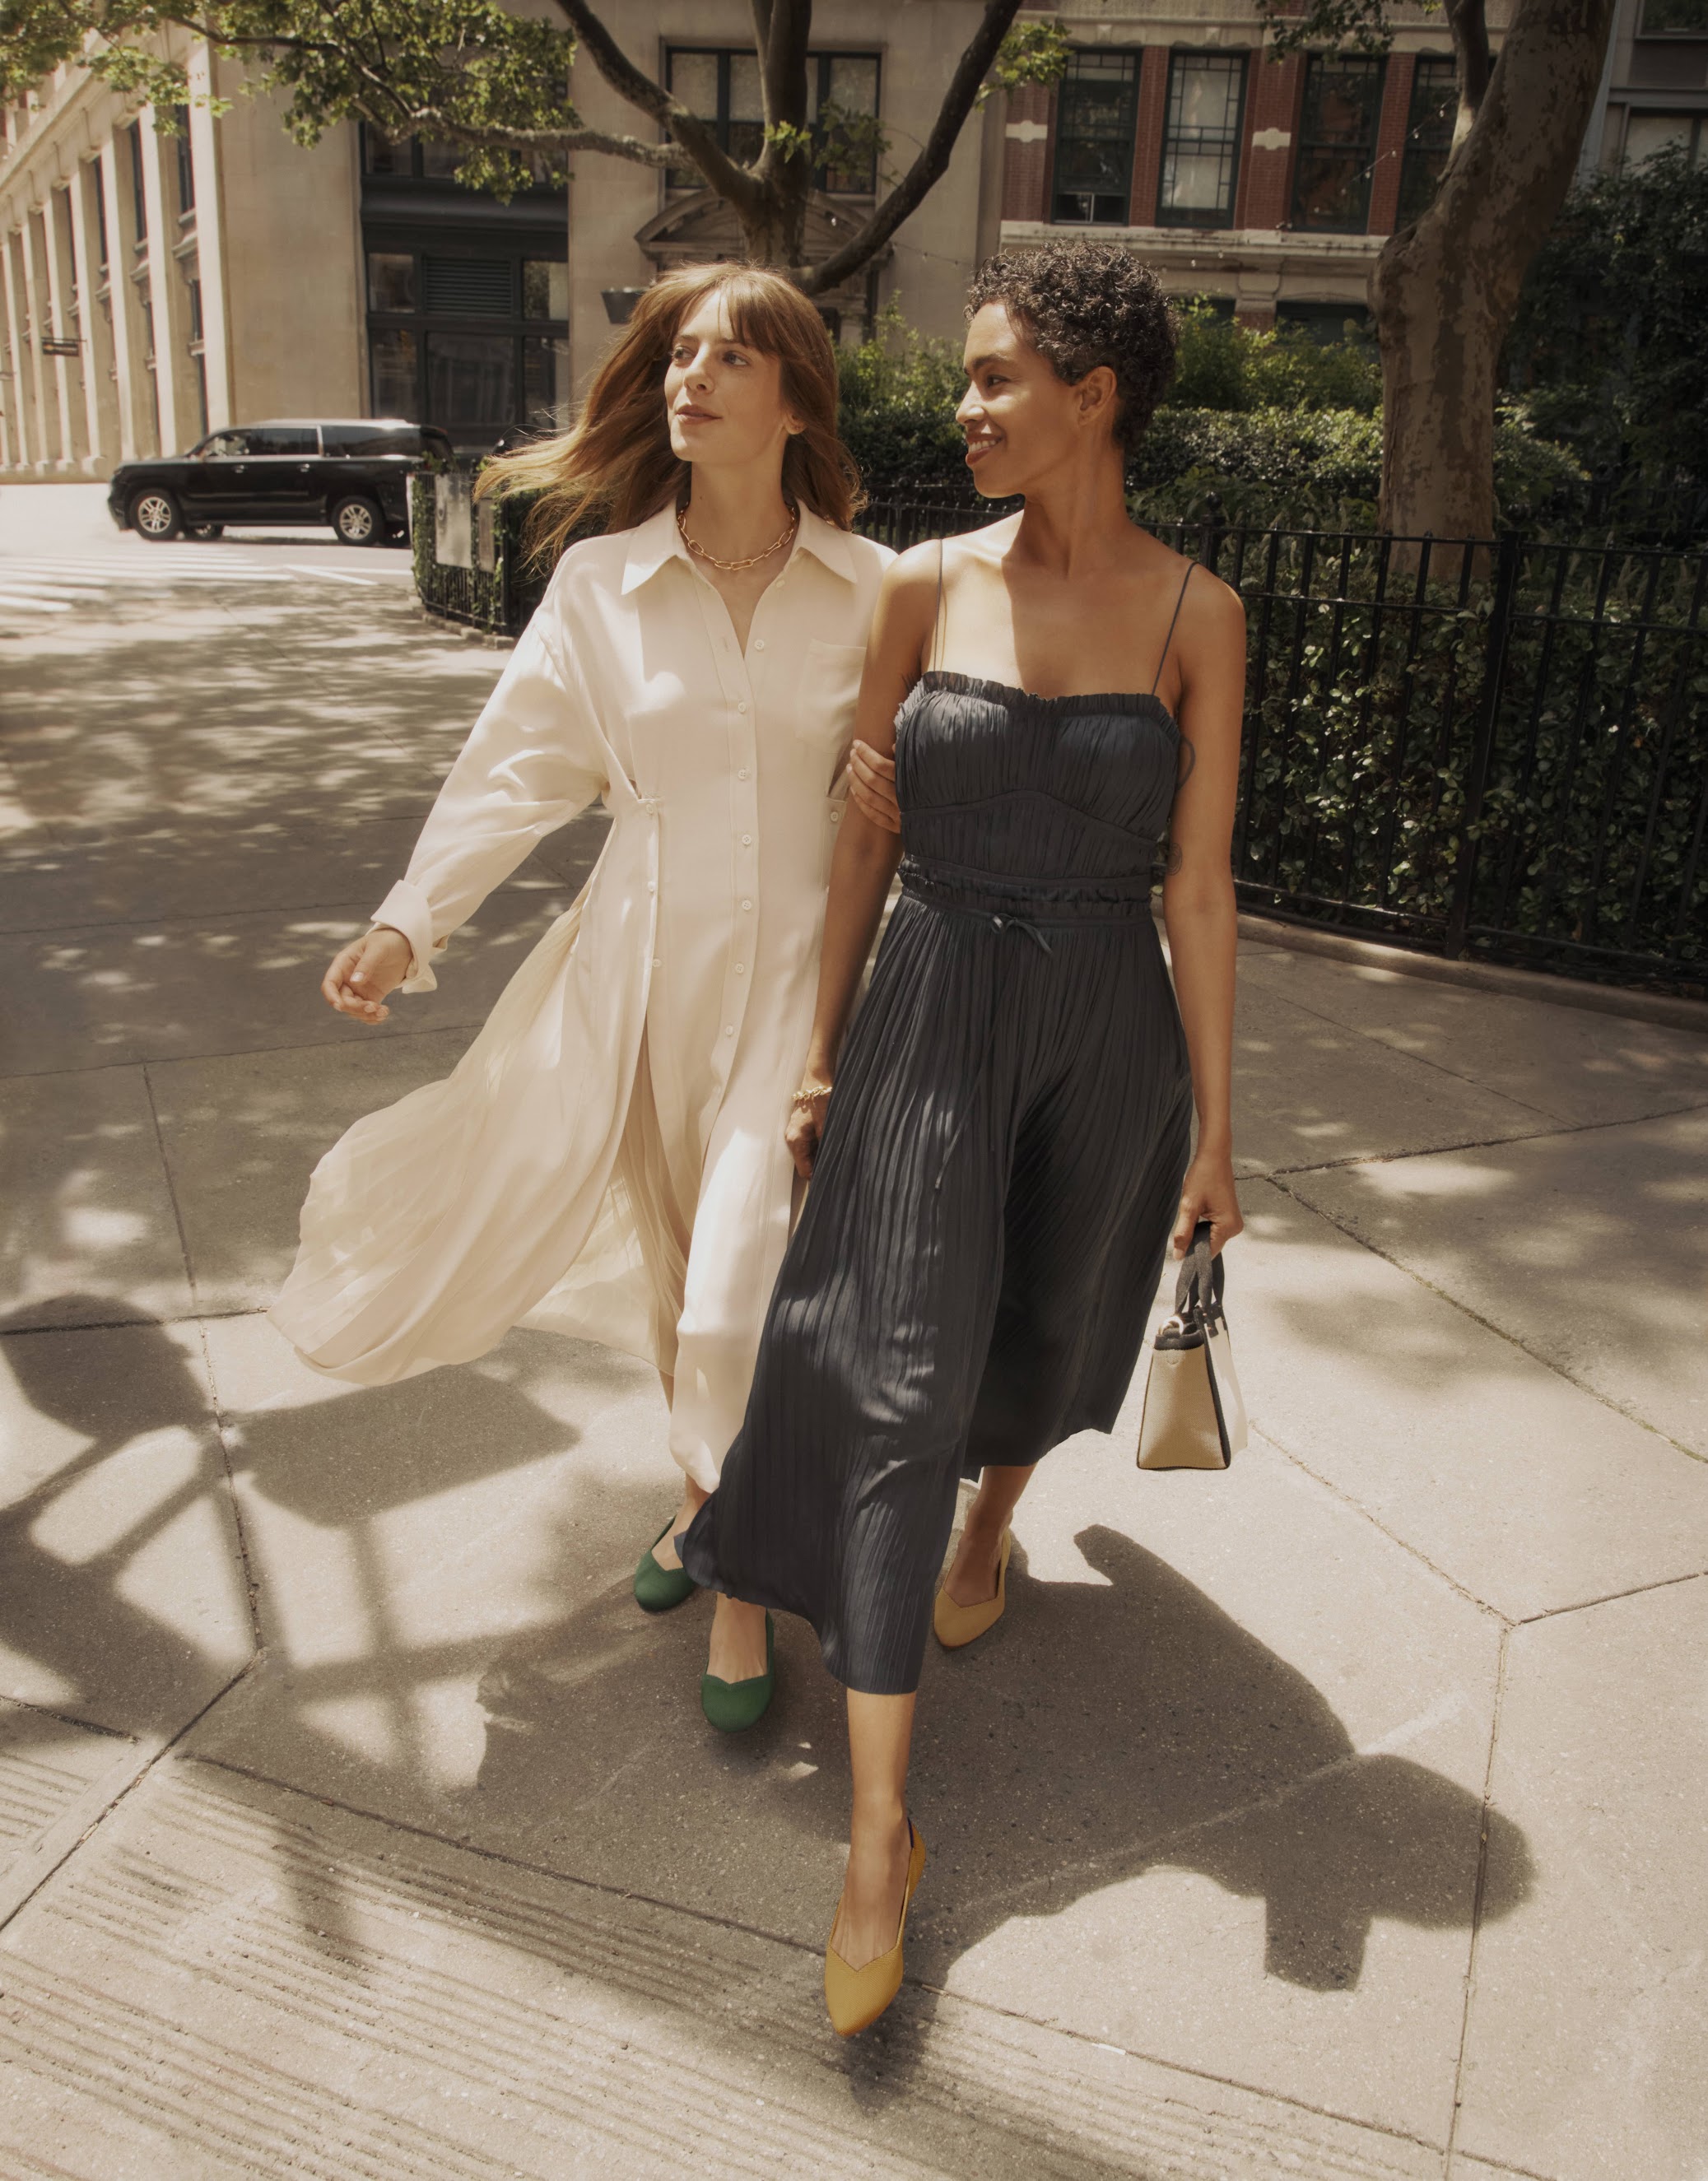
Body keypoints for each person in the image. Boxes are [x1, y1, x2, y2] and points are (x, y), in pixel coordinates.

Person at [682, 241, 1245, 2034]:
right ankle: (874, 1845)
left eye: (1001, 377)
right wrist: (824, 1048)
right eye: (972, 376)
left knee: (1050, 1317)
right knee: (892, 1369)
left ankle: (998, 1522)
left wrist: (1223, 1132)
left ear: (1097, 396)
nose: (968, 406)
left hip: (1105, 1025)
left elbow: (1206, 889)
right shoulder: (923, 581)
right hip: (931, 997)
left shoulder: (1197, 615)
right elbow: (865, 831)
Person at [269, 264, 895, 1724]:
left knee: (744, 1283)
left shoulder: (874, 584)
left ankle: (739, 1594)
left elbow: (932, 761)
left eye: (732, 358)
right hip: (641, 974)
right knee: (686, 1283)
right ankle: (699, 1505)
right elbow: (517, 769)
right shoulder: (601, 584)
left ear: (796, 396)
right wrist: (406, 920)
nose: (692, 378)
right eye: (680, 355)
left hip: (809, 984)